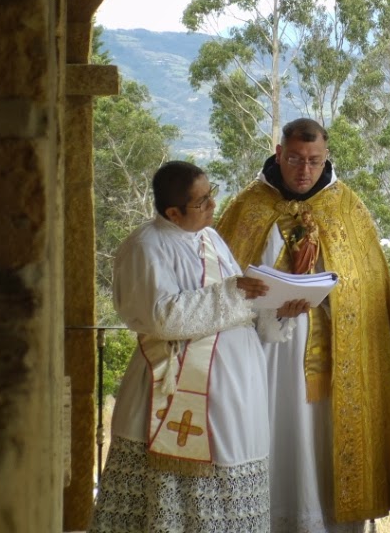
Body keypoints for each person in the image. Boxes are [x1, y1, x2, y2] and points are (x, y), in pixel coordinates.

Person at [89, 160, 307, 533]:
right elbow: (162, 317)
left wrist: (277, 310)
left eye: (211, 194)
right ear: (172, 212)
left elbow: (237, 308)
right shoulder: (145, 246)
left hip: (235, 397)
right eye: (201, 201)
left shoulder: (210, 238)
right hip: (174, 392)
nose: (212, 205)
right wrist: (234, 292)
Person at [216, 118, 390, 533]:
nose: (304, 170)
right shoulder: (248, 206)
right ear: (279, 153)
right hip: (264, 356)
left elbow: (367, 285)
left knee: (323, 440)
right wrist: (270, 301)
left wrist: (328, 291)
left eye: (314, 161)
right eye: (295, 159)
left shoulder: (346, 207)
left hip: (335, 361)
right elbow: (220, 282)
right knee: (270, 434)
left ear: (326, 157)